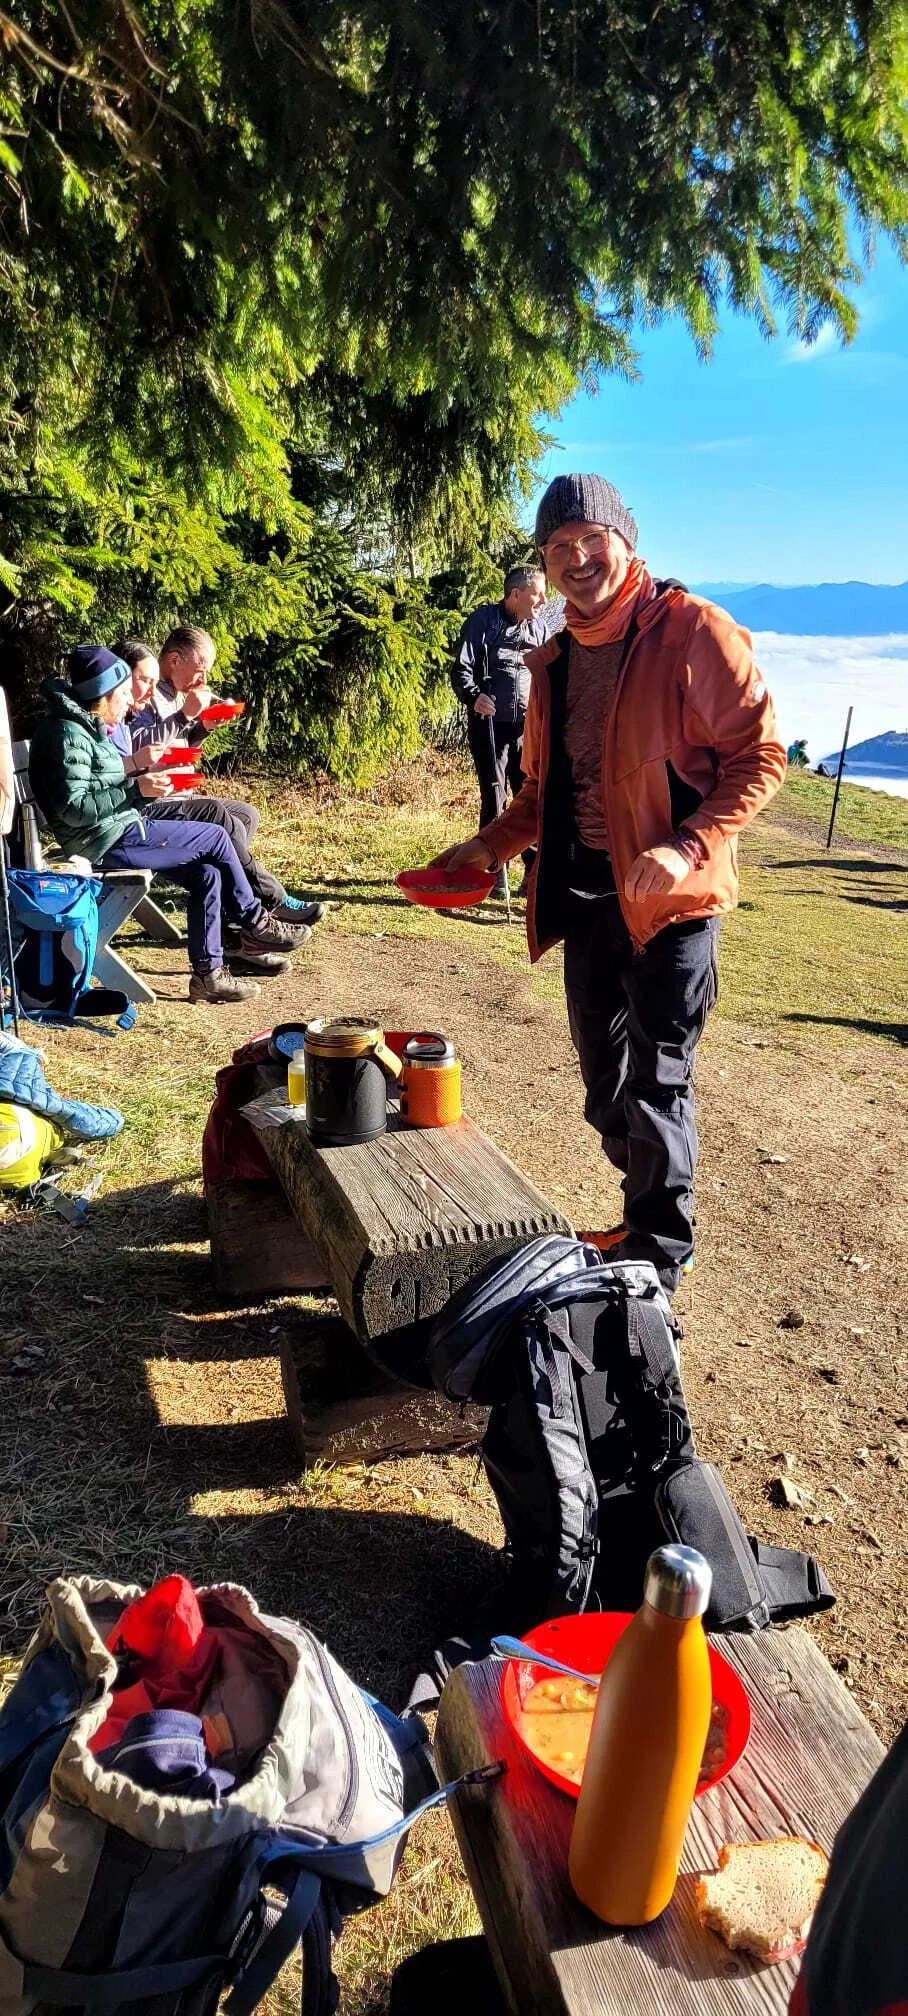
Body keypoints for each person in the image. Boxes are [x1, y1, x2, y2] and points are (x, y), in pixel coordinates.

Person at [433, 473, 787, 1292]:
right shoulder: (554, 658)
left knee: (658, 1082)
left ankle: (660, 1256)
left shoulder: (693, 630)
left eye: (593, 538)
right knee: (606, 1090)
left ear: (626, 542)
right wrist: (487, 846)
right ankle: (645, 1209)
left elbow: (760, 756)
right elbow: (544, 792)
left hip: (672, 907)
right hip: (587, 899)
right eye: (560, 547)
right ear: (547, 567)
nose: (578, 556)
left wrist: (689, 844)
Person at [28, 646, 311, 1005]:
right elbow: (72, 808)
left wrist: (139, 783)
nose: (131, 698)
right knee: (217, 836)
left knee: (207, 871)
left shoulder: (84, 726)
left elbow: (101, 787)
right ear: (105, 695)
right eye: (125, 692)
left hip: (116, 827)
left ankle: (209, 976)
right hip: (103, 841)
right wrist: (136, 790)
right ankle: (256, 923)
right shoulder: (68, 733)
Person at [112, 640, 324, 928]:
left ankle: (232, 912)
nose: (204, 681)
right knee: (218, 818)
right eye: (200, 671)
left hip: (173, 793)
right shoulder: (142, 699)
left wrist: (201, 728)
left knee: (246, 815)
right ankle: (268, 900)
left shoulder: (173, 694)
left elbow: (175, 746)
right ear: (174, 661)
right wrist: (185, 716)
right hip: (151, 804)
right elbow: (139, 749)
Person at [449, 567, 550, 896]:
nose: (544, 599)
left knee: (531, 801)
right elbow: (461, 669)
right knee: (495, 797)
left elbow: (551, 672)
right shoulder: (483, 622)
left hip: (529, 729)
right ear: (516, 594)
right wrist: (474, 696)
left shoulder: (540, 627)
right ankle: (493, 876)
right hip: (490, 727)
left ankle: (534, 878)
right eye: (538, 593)